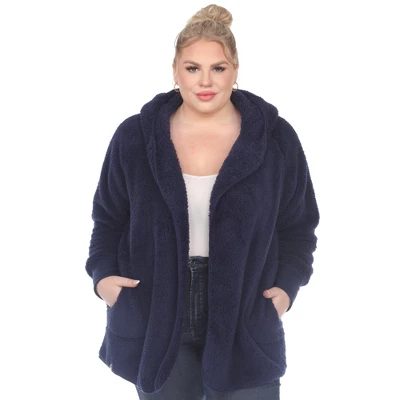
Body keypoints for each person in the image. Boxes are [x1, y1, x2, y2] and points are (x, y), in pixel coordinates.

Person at [84, 4, 320, 399]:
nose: (205, 81)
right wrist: (104, 279)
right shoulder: (136, 137)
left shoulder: (275, 139)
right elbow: (108, 220)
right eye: (192, 68)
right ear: (175, 70)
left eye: (218, 68)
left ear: (235, 70)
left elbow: (298, 226)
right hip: (156, 314)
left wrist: (285, 288)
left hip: (246, 315)